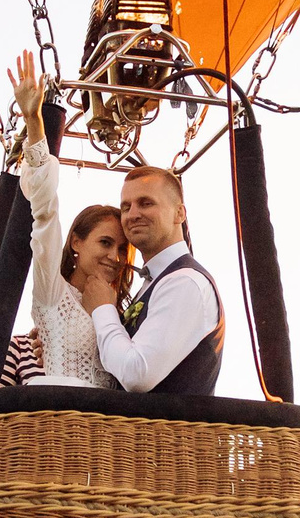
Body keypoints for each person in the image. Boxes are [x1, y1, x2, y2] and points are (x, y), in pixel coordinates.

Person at [3, 52, 129, 388]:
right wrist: (34, 120)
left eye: (121, 248)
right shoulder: (53, 294)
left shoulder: (120, 311)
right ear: (76, 242)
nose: (115, 256)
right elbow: (45, 210)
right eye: (105, 242)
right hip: (61, 420)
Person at [79, 164, 224, 396]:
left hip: (167, 422)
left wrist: (103, 309)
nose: (133, 215)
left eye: (146, 203)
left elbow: (136, 374)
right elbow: (117, 361)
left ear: (179, 213)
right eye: (126, 207)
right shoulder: (154, 282)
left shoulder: (185, 283)